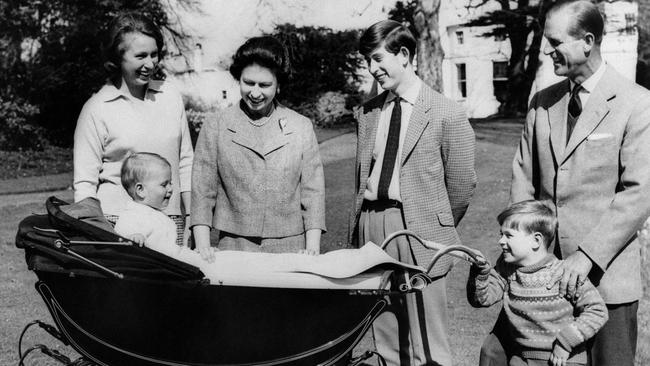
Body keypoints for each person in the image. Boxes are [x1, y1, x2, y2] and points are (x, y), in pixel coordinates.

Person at [481, 2, 650, 365]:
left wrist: (586, 256)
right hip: (536, 281)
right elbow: (524, 180)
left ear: (587, 41)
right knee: (494, 355)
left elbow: (639, 193)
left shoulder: (637, 103)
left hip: (607, 284)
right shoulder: (542, 103)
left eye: (555, 42)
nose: (545, 50)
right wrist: (523, 248)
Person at [349, 20, 476, 366]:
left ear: (404, 55)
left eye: (377, 59)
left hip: (419, 232)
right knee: (386, 332)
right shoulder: (369, 112)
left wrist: (431, 223)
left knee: (428, 340)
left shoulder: (446, 112)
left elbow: (462, 187)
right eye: (368, 62)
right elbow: (362, 178)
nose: (373, 69)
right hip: (373, 227)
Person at [191, 36, 326, 261]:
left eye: (264, 85)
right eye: (248, 83)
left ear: (279, 85)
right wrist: (203, 247)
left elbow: (313, 192)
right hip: (233, 245)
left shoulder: (300, 126)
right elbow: (202, 191)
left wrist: (312, 249)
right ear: (238, 79)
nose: (255, 93)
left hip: (291, 246)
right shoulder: (216, 125)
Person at [73, 12, 193, 246]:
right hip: (118, 224)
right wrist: (101, 233)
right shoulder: (96, 108)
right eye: (140, 56)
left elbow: (186, 161)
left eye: (154, 54)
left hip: (171, 220)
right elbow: (85, 184)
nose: (150, 64)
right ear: (117, 59)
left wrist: (191, 217)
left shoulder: (170, 95)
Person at [468, 200, 608, 366]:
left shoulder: (563, 274)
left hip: (564, 360)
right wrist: (481, 273)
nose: (501, 241)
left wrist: (566, 342)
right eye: (501, 234)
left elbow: (598, 311)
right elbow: (483, 299)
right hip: (521, 358)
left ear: (536, 240)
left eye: (508, 235)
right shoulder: (507, 270)